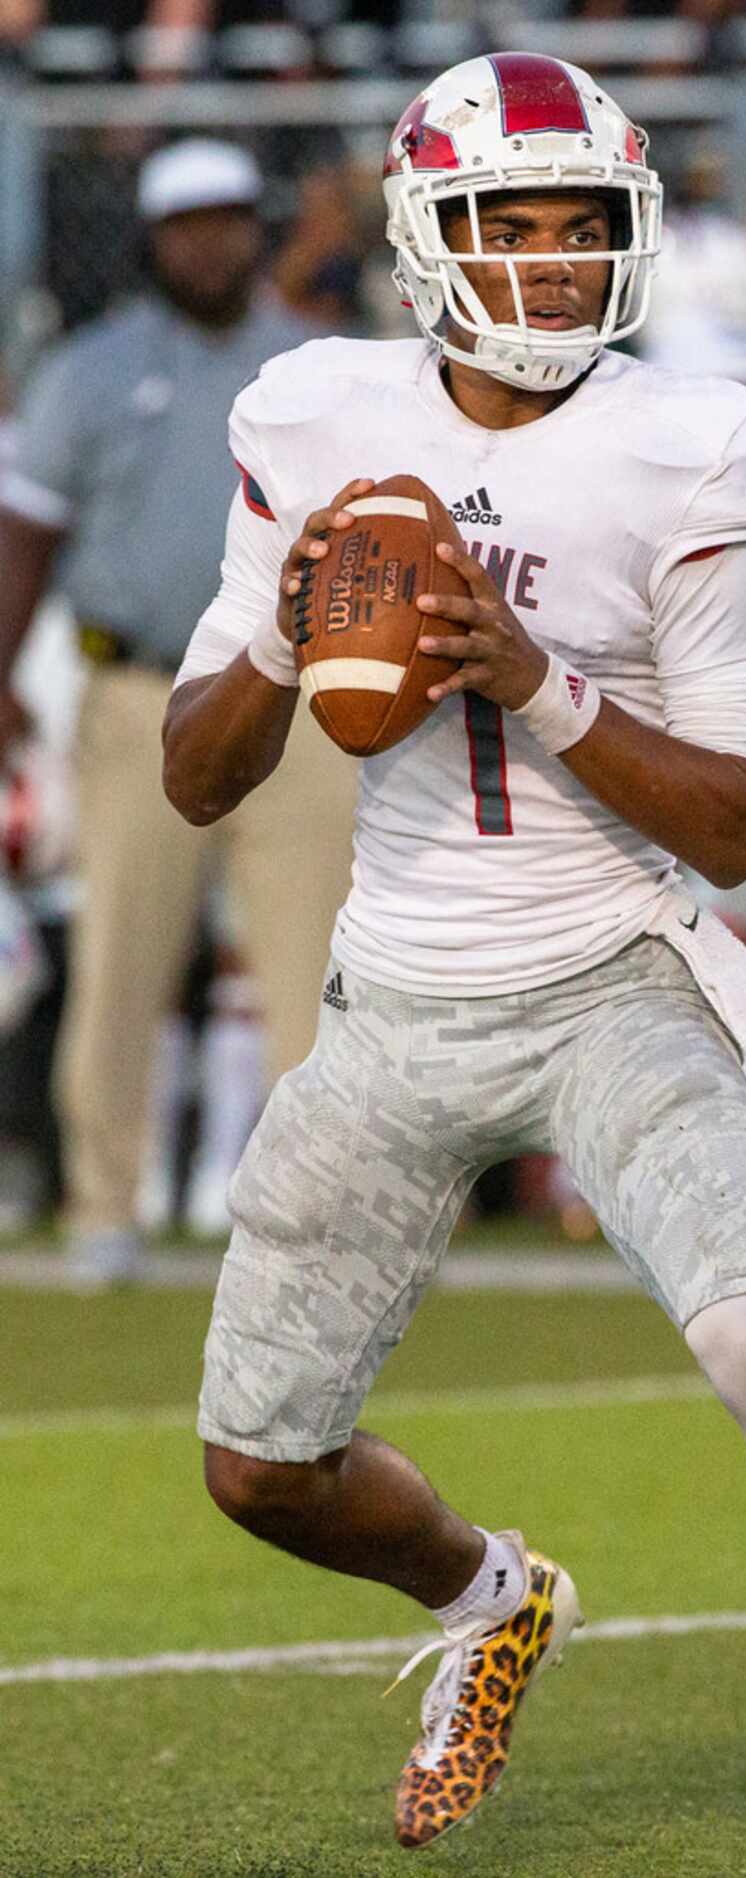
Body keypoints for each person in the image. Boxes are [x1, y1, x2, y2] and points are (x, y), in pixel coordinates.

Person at [162, 53, 746, 1867]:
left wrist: (536, 675)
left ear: (634, 238)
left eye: (577, 229)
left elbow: (742, 822)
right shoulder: (311, 418)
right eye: (504, 229)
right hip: (393, 999)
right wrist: (290, 639)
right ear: (424, 238)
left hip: (612, 970)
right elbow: (195, 775)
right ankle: (490, 1594)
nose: (544, 266)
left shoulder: (689, 438)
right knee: (256, 1470)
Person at [0, 138, 358, 1282]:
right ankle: (105, 1206)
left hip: (299, 699)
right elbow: (27, 539)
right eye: (189, 222)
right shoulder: (91, 372)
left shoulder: (317, 366)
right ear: (153, 239)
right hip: (140, 692)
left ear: (258, 227)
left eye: (231, 218)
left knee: (319, 969)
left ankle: (326, 1222)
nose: (212, 240)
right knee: (121, 963)